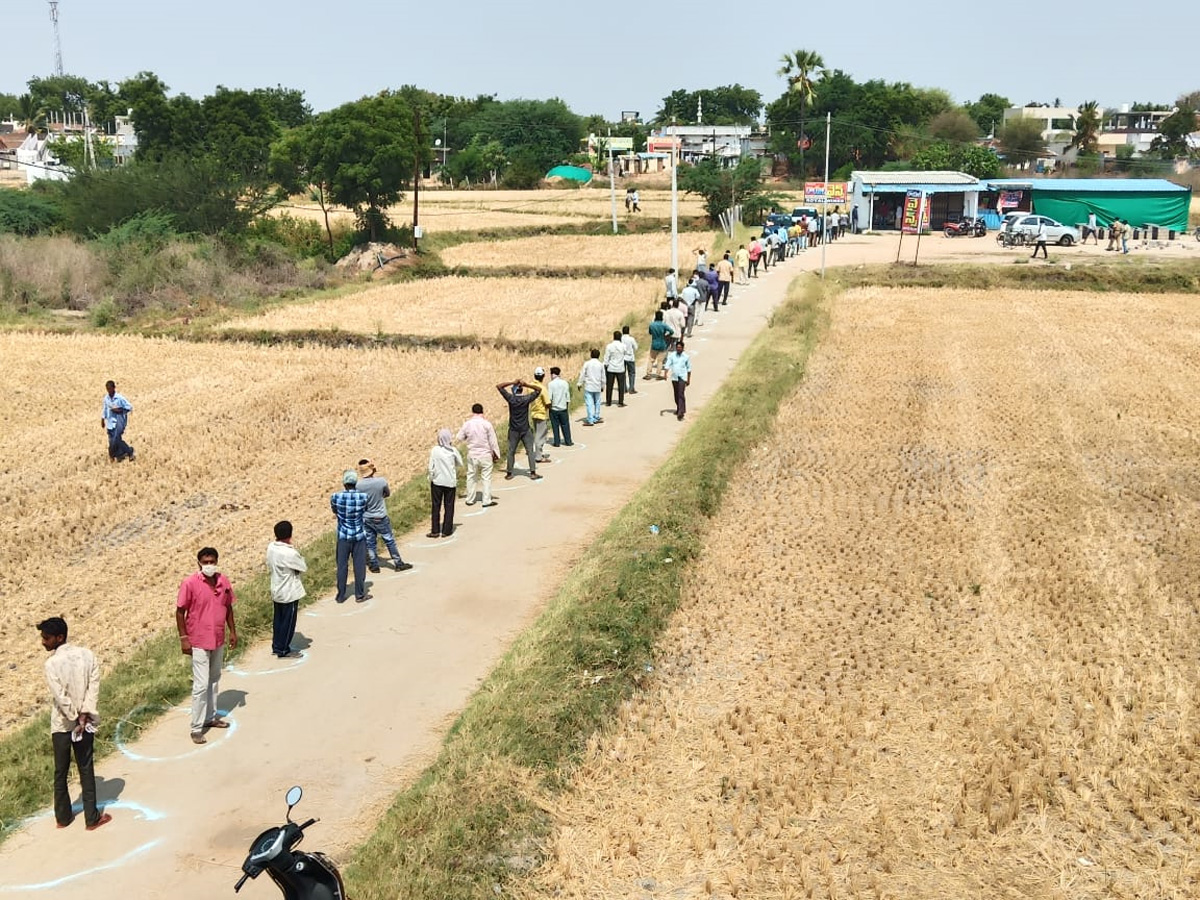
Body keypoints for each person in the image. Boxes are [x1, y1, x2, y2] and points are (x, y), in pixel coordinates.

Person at [38, 616, 111, 831]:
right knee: (85, 767)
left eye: (46, 638)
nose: (43, 642)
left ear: (59, 638)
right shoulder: (88, 655)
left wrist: (72, 715)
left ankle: (63, 817)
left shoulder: (51, 664)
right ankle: (92, 818)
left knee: (60, 770)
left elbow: (60, 696)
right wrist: (84, 714)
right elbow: (93, 687)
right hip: (85, 721)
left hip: (62, 724)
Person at [176, 547, 238, 743]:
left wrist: (233, 631)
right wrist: (184, 638)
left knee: (214, 678)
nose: (209, 565)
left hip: (217, 637)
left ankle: (210, 717)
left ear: (217, 561)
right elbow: (180, 612)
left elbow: (228, 607)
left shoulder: (223, 581)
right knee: (201, 685)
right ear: (199, 563)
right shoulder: (190, 583)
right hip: (199, 640)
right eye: (205, 562)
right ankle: (196, 727)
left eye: (212, 561)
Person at [355, 460, 412, 573]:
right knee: (389, 540)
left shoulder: (358, 485)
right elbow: (387, 493)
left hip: (366, 517)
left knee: (370, 542)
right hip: (380, 515)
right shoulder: (381, 481)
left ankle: (374, 565)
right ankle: (398, 562)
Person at [266, 521, 306, 658]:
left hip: (276, 588)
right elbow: (302, 566)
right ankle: (284, 649)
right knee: (288, 622)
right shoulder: (290, 553)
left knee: (278, 620)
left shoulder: (271, 547)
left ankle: (276, 645)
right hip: (289, 591)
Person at [330, 470, 369, 603]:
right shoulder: (363, 497)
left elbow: (334, 510)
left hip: (343, 535)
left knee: (342, 566)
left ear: (344, 483)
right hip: (359, 535)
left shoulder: (336, 497)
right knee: (359, 565)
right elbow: (365, 510)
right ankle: (359, 594)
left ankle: (341, 595)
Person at [498, 378, 543, 478]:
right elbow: (539, 390)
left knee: (511, 451)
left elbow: (499, 386)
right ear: (521, 390)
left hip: (514, 429)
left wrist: (512, 382)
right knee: (530, 450)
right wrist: (526, 384)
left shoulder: (511, 399)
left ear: (514, 391)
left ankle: (509, 473)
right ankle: (533, 472)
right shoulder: (525, 399)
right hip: (525, 428)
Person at [458, 403, 501, 507]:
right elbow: (493, 441)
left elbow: (459, 437)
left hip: (472, 454)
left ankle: (470, 499)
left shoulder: (467, 424)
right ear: (482, 411)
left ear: (472, 412)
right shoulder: (487, 424)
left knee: (471, 476)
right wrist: (496, 454)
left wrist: (468, 438)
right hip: (485, 454)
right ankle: (486, 500)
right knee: (486, 477)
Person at [428, 429, 463, 538]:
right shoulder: (453, 451)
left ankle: (435, 530)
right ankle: (446, 530)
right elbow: (460, 463)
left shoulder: (435, 450)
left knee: (436, 506)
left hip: (437, 482)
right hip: (450, 482)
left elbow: (430, 467)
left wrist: (431, 477)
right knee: (449, 506)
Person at [101, 380, 134, 462]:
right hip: (109, 423)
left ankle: (127, 452)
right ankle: (122, 453)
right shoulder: (106, 398)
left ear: (114, 388)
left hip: (118, 422)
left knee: (116, 440)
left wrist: (119, 410)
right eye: (107, 389)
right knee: (112, 440)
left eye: (110, 388)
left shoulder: (120, 398)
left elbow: (129, 407)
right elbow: (104, 409)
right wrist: (102, 419)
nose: (109, 390)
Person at [664, 339, 692, 421]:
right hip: (674, 378)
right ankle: (679, 408)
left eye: (680, 347)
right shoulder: (672, 355)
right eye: (677, 347)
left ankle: (681, 412)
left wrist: (688, 380)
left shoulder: (686, 357)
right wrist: (665, 374)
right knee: (676, 394)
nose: (678, 349)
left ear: (683, 348)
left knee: (681, 394)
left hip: (682, 378)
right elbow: (667, 364)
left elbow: (689, 369)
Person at [529, 367, 552, 463]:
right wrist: (551, 409)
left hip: (533, 413)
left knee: (537, 433)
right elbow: (547, 402)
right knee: (540, 436)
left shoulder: (530, 386)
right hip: (541, 414)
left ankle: (539, 453)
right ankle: (538, 457)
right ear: (543, 376)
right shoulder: (542, 388)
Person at [645, 310, 675, 381]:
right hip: (662, 343)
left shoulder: (652, 325)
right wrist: (667, 335)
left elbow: (650, 332)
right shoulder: (663, 325)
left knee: (651, 360)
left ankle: (648, 374)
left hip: (654, 343)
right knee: (660, 361)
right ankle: (658, 374)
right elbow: (672, 331)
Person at [547, 366, 573, 449]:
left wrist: (549, 408)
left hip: (554, 408)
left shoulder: (550, 384)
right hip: (563, 407)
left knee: (555, 426)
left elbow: (549, 398)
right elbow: (567, 396)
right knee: (565, 425)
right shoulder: (565, 383)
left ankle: (557, 442)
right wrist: (566, 406)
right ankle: (568, 441)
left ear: (552, 374)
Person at [577, 349, 605, 425]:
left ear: (591, 355)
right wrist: (603, 386)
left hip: (589, 386)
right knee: (597, 402)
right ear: (599, 356)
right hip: (597, 386)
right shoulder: (600, 364)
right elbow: (603, 377)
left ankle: (590, 419)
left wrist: (579, 383)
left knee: (589, 403)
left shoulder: (587, 363)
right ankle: (596, 416)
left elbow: (582, 374)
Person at [603, 330, 627, 408]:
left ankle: (608, 401)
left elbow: (606, 357)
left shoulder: (609, 346)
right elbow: (626, 354)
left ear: (613, 337)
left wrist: (606, 365)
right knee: (621, 386)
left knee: (609, 386)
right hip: (620, 368)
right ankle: (620, 402)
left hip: (611, 368)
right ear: (620, 337)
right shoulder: (623, 346)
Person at [621, 326, 639, 395]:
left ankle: (624, 388)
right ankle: (631, 388)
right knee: (631, 373)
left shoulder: (621, 339)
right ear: (628, 331)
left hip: (622, 358)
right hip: (630, 358)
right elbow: (636, 347)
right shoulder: (631, 339)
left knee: (623, 373)